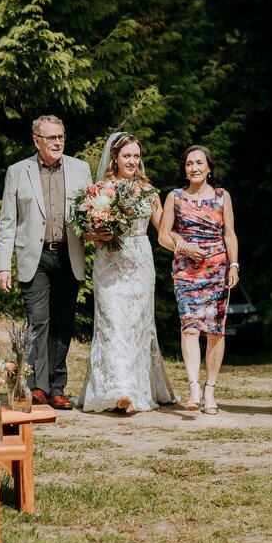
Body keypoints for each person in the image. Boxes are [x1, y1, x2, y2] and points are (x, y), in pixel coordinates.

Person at [0, 115, 92, 410]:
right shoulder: (18, 171)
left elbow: (90, 213)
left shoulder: (80, 169)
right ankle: (37, 385)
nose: (58, 142)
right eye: (51, 137)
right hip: (33, 257)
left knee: (63, 323)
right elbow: (8, 221)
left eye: (61, 136)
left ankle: (57, 387)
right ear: (37, 140)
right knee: (37, 322)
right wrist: (3, 265)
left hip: (68, 254)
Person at [80, 132, 177, 413]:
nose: (132, 161)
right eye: (127, 156)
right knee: (112, 324)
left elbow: (164, 233)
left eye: (136, 156)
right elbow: (84, 232)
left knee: (136, 326)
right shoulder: (100, 190)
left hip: (140, 266)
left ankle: (133, 389)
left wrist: (183, 247)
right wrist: (97, 233)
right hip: (109, 265)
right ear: (115, 157)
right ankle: (119, 390)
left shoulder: (148, 191)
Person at [158, 145, 238, 415]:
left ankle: (210, 390)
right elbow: (163, 234)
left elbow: (230, 235)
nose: (194, 168)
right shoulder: (175, 197)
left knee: (215, 330)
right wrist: (182, 246)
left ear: (209, 167)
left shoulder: (222, 196)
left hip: (217, 269)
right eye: (189, 163)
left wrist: (234, 265)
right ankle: (193, 386)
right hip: (186, 271)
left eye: (199, 163)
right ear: (184, 168)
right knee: (190, 328)